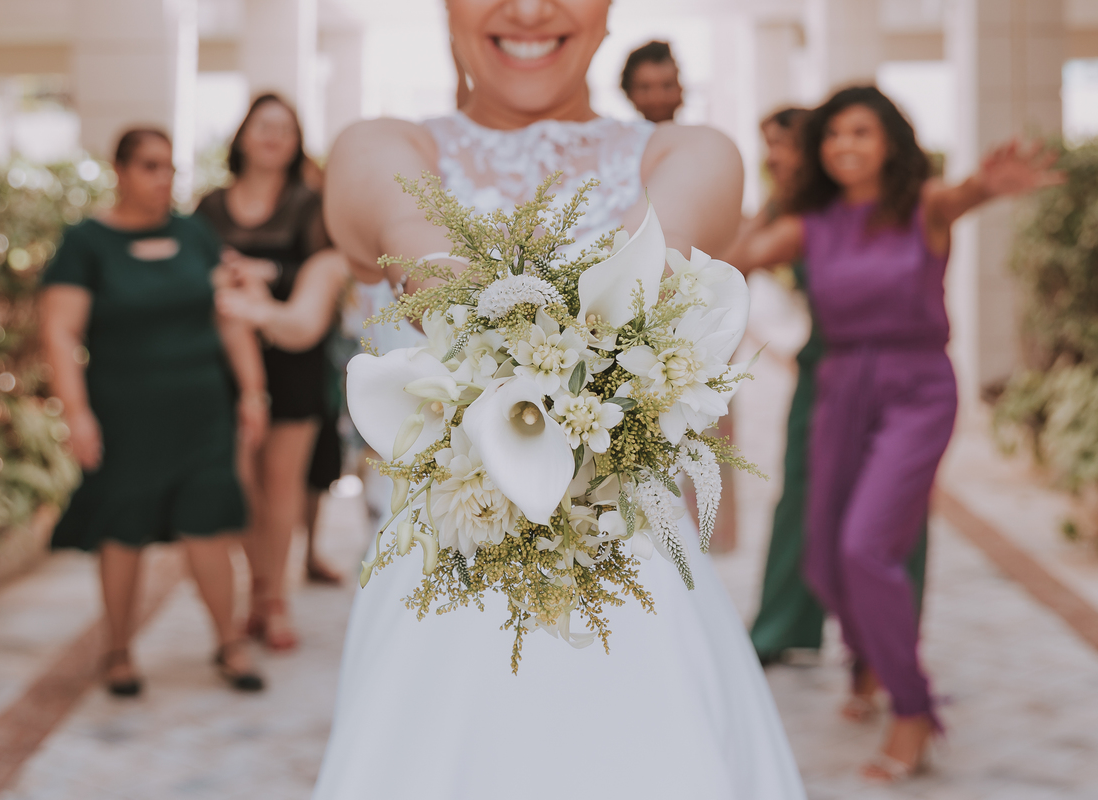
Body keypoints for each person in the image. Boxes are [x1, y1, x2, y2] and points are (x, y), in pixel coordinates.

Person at [312, 1, 807, 798]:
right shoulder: (380, 147)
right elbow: (411, 234)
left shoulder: (690, 153)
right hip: (442, 578)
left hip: (637, 584)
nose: (530, 9)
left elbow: (650, 267)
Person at [728, 85, 1062, 781]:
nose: (844, 146)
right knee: (825, 555)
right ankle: (868, 658)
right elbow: (733, 261)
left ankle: (913, 710)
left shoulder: (923, 204)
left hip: (917, 393)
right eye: (832, 135)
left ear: (890, 143)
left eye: (861, 132)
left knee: (865, 547)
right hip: (839, 390)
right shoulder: (811, 224)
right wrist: (781, 194)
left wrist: (988, 185)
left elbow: (965, 194)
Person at [38, 128, 267, 696]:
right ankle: (117, 650)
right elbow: (59, 332)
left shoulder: (193, 234)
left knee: (208, 519)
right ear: (119, 170)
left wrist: (252, 390)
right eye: (149, 166)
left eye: (169, 167)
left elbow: (228, 315)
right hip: (125, 415)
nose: (163, 178)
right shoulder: (86, 243)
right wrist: (77, 413)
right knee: (123, 525)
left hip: (202, 410)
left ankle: (229, 643)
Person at [746, 107, 929, 669]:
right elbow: (733, 260)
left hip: (890, 374)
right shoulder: (794, 211)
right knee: (801, 498)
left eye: (783, 145)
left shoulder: (874, 207)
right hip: (821, 372)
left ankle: (884, 647)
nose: (773, 157)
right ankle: (782, 627)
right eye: (768, 146)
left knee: (895, 506)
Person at [197, 94, 346, 653]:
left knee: (282, 485)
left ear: (296, 141)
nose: (273, 136)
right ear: (242, 135)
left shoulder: (310, 204)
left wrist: (267, 271)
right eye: (263, 125)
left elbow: (321, 268)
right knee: (239, 483)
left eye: (285, 128)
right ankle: (256, 589)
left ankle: (271, 600)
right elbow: (193, 265)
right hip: (226, 361)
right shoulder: (211, 205)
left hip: (293, 355)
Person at [620, 39, 683, 123]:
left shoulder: (698, 130)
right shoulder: (614, 130)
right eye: (645, 88)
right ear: (629, 93)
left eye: (667, 86)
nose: (657, 98)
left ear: (681, 88)